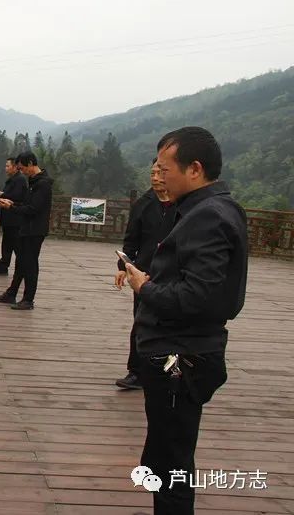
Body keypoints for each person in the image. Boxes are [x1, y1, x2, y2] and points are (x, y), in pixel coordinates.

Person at [125, 127, 248, 515]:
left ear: (194, 169)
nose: (159, 176)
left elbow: (200, 297)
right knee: (165, 455)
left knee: (173, 462)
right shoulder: (211, 208)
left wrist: (144, 287)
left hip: (181, 356)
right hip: (180, 353)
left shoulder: (208, 216)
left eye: (165, 168)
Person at [114, 159, 176, 390]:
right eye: (153, 172)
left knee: (170, 324)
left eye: (161, 172)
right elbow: (131, 241)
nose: (156, 176)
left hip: (173, 274)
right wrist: (122, 268)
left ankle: (168, 368)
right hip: (144, 273)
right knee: (141, 322)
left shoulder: (183, 204)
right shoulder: (144, 204)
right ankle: (136, 371)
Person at [0, 151, 53, 310]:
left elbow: (33, 209)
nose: (22, 171)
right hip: (26, 228)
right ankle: (12, 293)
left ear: (31, 164)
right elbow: (26, 205)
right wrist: (11, 203)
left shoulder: (43, 184)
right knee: (21, 262)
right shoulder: (33, 181)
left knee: (31, 265)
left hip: (35, 230)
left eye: (23, 168)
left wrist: (11, 207)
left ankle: (28, 299)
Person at [0, 157, 29, 275]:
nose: (6, 168)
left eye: (8, 166)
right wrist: (2, 194)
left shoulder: (20, 179)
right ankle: (3, 267)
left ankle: (23, 268)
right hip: (9, 218)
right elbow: (11, 194)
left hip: (15, 218)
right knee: (7, 244)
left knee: (17, 245)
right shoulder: (13, 179)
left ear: (14, 167)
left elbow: (17, 196)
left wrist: (4, 196)